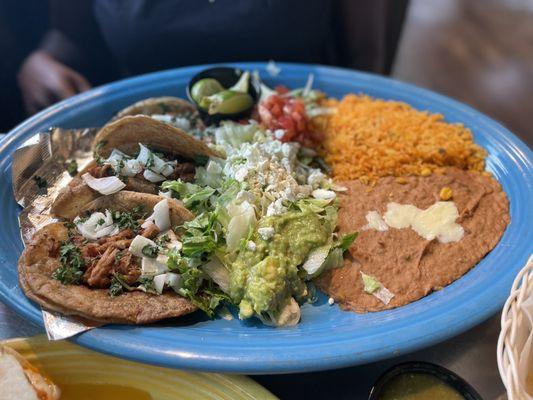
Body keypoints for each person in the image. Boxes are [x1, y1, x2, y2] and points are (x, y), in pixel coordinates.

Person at [17, 0, 409, 116]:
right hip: (148, 146)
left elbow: (365, 64)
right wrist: (40, 61)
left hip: (300, 129)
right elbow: (72, 37)